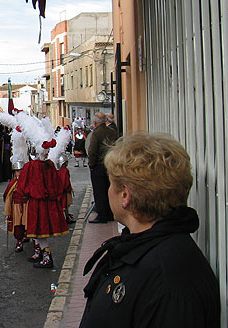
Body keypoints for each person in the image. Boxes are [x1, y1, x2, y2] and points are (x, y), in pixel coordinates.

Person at [79, 133, 220, 327]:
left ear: (125, 195)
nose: (108, 190)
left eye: (111, 183)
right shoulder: (142, 248)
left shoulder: (168, 279)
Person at [14, 112, 71, 268]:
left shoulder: (31, 166)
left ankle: (47, 256)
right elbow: (57, 186)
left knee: (39, 230)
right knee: (39, 230)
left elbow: (23, 185)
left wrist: (24, 195)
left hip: (37, 203)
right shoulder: (49, 165)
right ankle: (40, 253)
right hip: (48, 203)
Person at [87, 112, 117, 223]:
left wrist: (91, 164)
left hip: (99, 166)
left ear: (95, 122)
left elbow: (92, 151)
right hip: (111, 165)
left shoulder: (96, 133)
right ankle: (111, 213)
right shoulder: (113, 132)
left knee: (99, 192)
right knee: (110, 189)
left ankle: (102, 215)